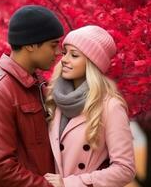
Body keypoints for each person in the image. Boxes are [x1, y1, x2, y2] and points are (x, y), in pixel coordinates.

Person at [0, 5, 64, 187]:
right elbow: (1, 169)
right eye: (53, 45)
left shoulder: (39, 86)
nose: (57, 53)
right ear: (31, 45)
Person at [44, 25, 136, 187]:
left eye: (74, 55)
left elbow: (125, 168)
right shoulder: (53, 98)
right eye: (65, 53)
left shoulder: (110, 106)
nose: (64, 59)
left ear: (92, 62)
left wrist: (71, 184)